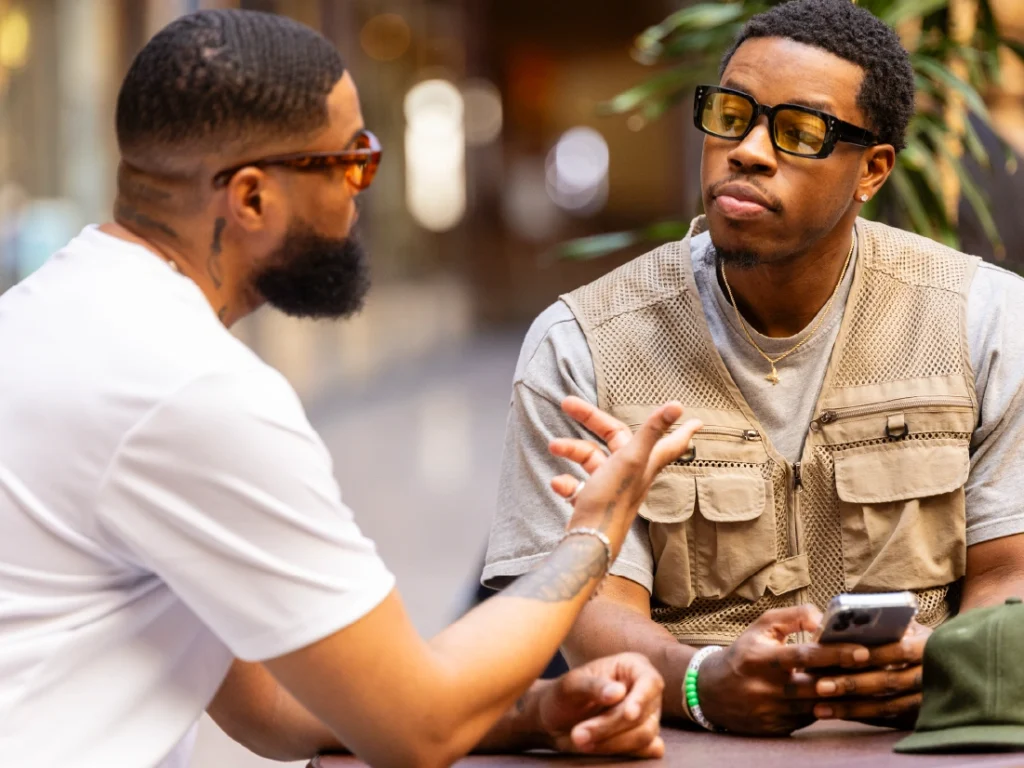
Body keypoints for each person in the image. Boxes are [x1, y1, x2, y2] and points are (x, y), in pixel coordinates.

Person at [0, 10, 706, 768]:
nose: (360, 194)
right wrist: (593, 535)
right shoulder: (190, 389)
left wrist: (530, 712)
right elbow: (417, 728)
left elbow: (268, 703)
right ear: (251, 199)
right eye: (352, 161)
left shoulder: (49, 315)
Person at [484, 0, 1024, 738]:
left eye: (800, 132)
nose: (748, 149)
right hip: (684, 748)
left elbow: (1008, 569)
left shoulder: (985, 320)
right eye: (732, 114)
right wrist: (702, 685)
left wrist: (940, 667)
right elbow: (588, 605)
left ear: (872, 170)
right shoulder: (584, 344)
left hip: (916, 746)